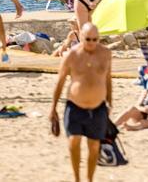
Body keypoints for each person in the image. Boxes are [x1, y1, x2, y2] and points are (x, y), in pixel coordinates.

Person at [50, 22, 112, 182]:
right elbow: (60, 81)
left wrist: (110, 102)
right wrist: (53, 108)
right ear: (81, 37)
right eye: (88, 39)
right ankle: (77, 179)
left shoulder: (105, 54)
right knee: (74, 141)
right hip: (75, 106)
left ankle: (89, 179)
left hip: (98, 108)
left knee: (94, 147)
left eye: (95, 39)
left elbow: (108, 79)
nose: (91, 43)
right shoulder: (72, 55)